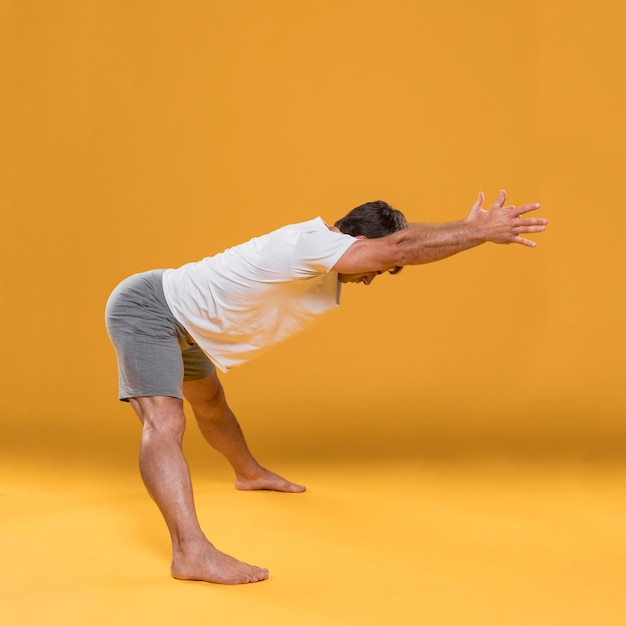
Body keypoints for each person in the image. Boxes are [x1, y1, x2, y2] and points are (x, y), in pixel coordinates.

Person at [105, 190, 547, 585]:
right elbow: (405, 247)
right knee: (165, 422)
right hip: (151, 310)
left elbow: (401, 243)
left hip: (190, 323)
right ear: (360, 243)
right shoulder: (312, 244)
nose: (374, 278)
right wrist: (480, 231)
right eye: (380, 266)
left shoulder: (326, 251)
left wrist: (465, 229)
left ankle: (249, 473)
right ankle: (190, 552)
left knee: (212, 403)